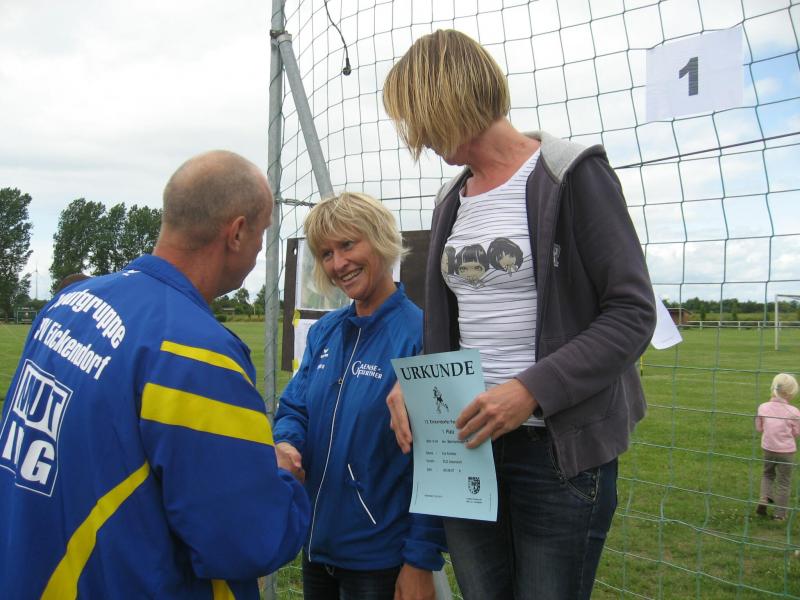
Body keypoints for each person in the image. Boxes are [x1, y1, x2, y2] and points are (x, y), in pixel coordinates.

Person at [382, 29, 657, 599]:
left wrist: (530, 390)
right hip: (467, 445)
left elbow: (631, 313)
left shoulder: (571, 174)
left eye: (418, 117)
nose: (417, 137)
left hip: (554, 453)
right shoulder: (451, 199)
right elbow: (448, 327)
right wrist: (414, 386)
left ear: (449, 98)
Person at [0, 150, 310, 599]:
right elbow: (247, 541)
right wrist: (282, 478)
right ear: (238, 232)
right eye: (262, 233)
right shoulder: (196, 353)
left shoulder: (65, 306)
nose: (261, 248)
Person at [273, 192, 447, 600]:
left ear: (381, 239)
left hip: (380, 560)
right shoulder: (325, 331)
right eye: (326, 254)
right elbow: (295, 407)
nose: (338, 264)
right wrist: (288, 442)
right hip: (316, 546)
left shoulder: (424, 337)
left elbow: (440, 461)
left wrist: (420, 561)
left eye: (348, 244)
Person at [755, 373, 800, 521]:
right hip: (786, 452)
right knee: (784, 481)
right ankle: (780, 515)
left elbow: (759, 428)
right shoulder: (794, 412)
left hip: (768, 448)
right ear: (790, 393)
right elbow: (797, 432)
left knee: (767, 474)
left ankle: (764, 497)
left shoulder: (763, 407)